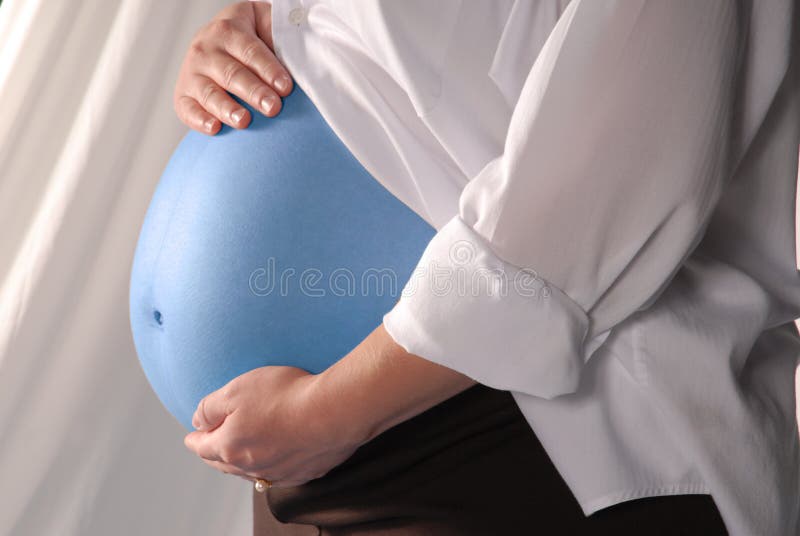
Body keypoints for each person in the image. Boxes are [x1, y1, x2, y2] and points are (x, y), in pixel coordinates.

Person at [178, 1, 800, 534]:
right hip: (310, 456)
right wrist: (256, 25)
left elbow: (601, 180)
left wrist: (329, 413)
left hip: (533, 444)